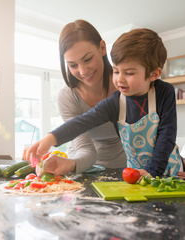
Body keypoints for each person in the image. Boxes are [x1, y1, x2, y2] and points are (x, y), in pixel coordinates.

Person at [27, 23, 185, 178]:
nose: (120, 80)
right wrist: (50, 139)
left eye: (129, 73)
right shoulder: (115, 101)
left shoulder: (163, 92)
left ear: (153, 74)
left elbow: (166, 135)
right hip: (130, 174)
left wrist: (172, 165)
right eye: (116, 71)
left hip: (161, 172)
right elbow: (82, 122)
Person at [27, 19, 127, 175]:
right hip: (84, 167)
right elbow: (86, 149)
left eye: (87, 59)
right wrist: (71, 164)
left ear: (102, 48)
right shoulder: (68, 96)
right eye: (73, 65)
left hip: (126, 168)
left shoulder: (125, 84)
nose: (83, 71)